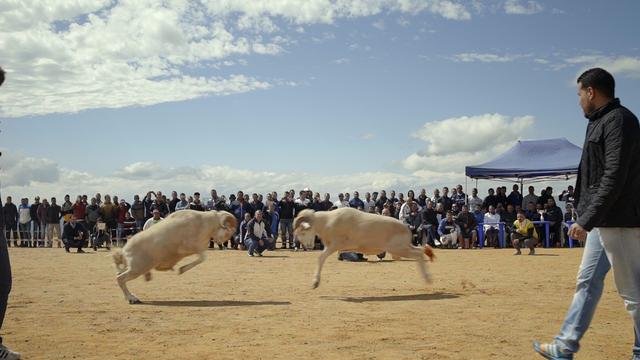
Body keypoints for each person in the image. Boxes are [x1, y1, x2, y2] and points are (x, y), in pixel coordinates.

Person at [534, 68, 640, 360]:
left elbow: (614, 175)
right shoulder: (601, 121)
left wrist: (585, 219)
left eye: (580, 93)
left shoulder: (619, 121)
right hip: (603, 220)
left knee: (633, 295)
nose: (579, 100)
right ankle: (565, 346)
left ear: (591, 91)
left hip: (620, 220)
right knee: (587, 282)